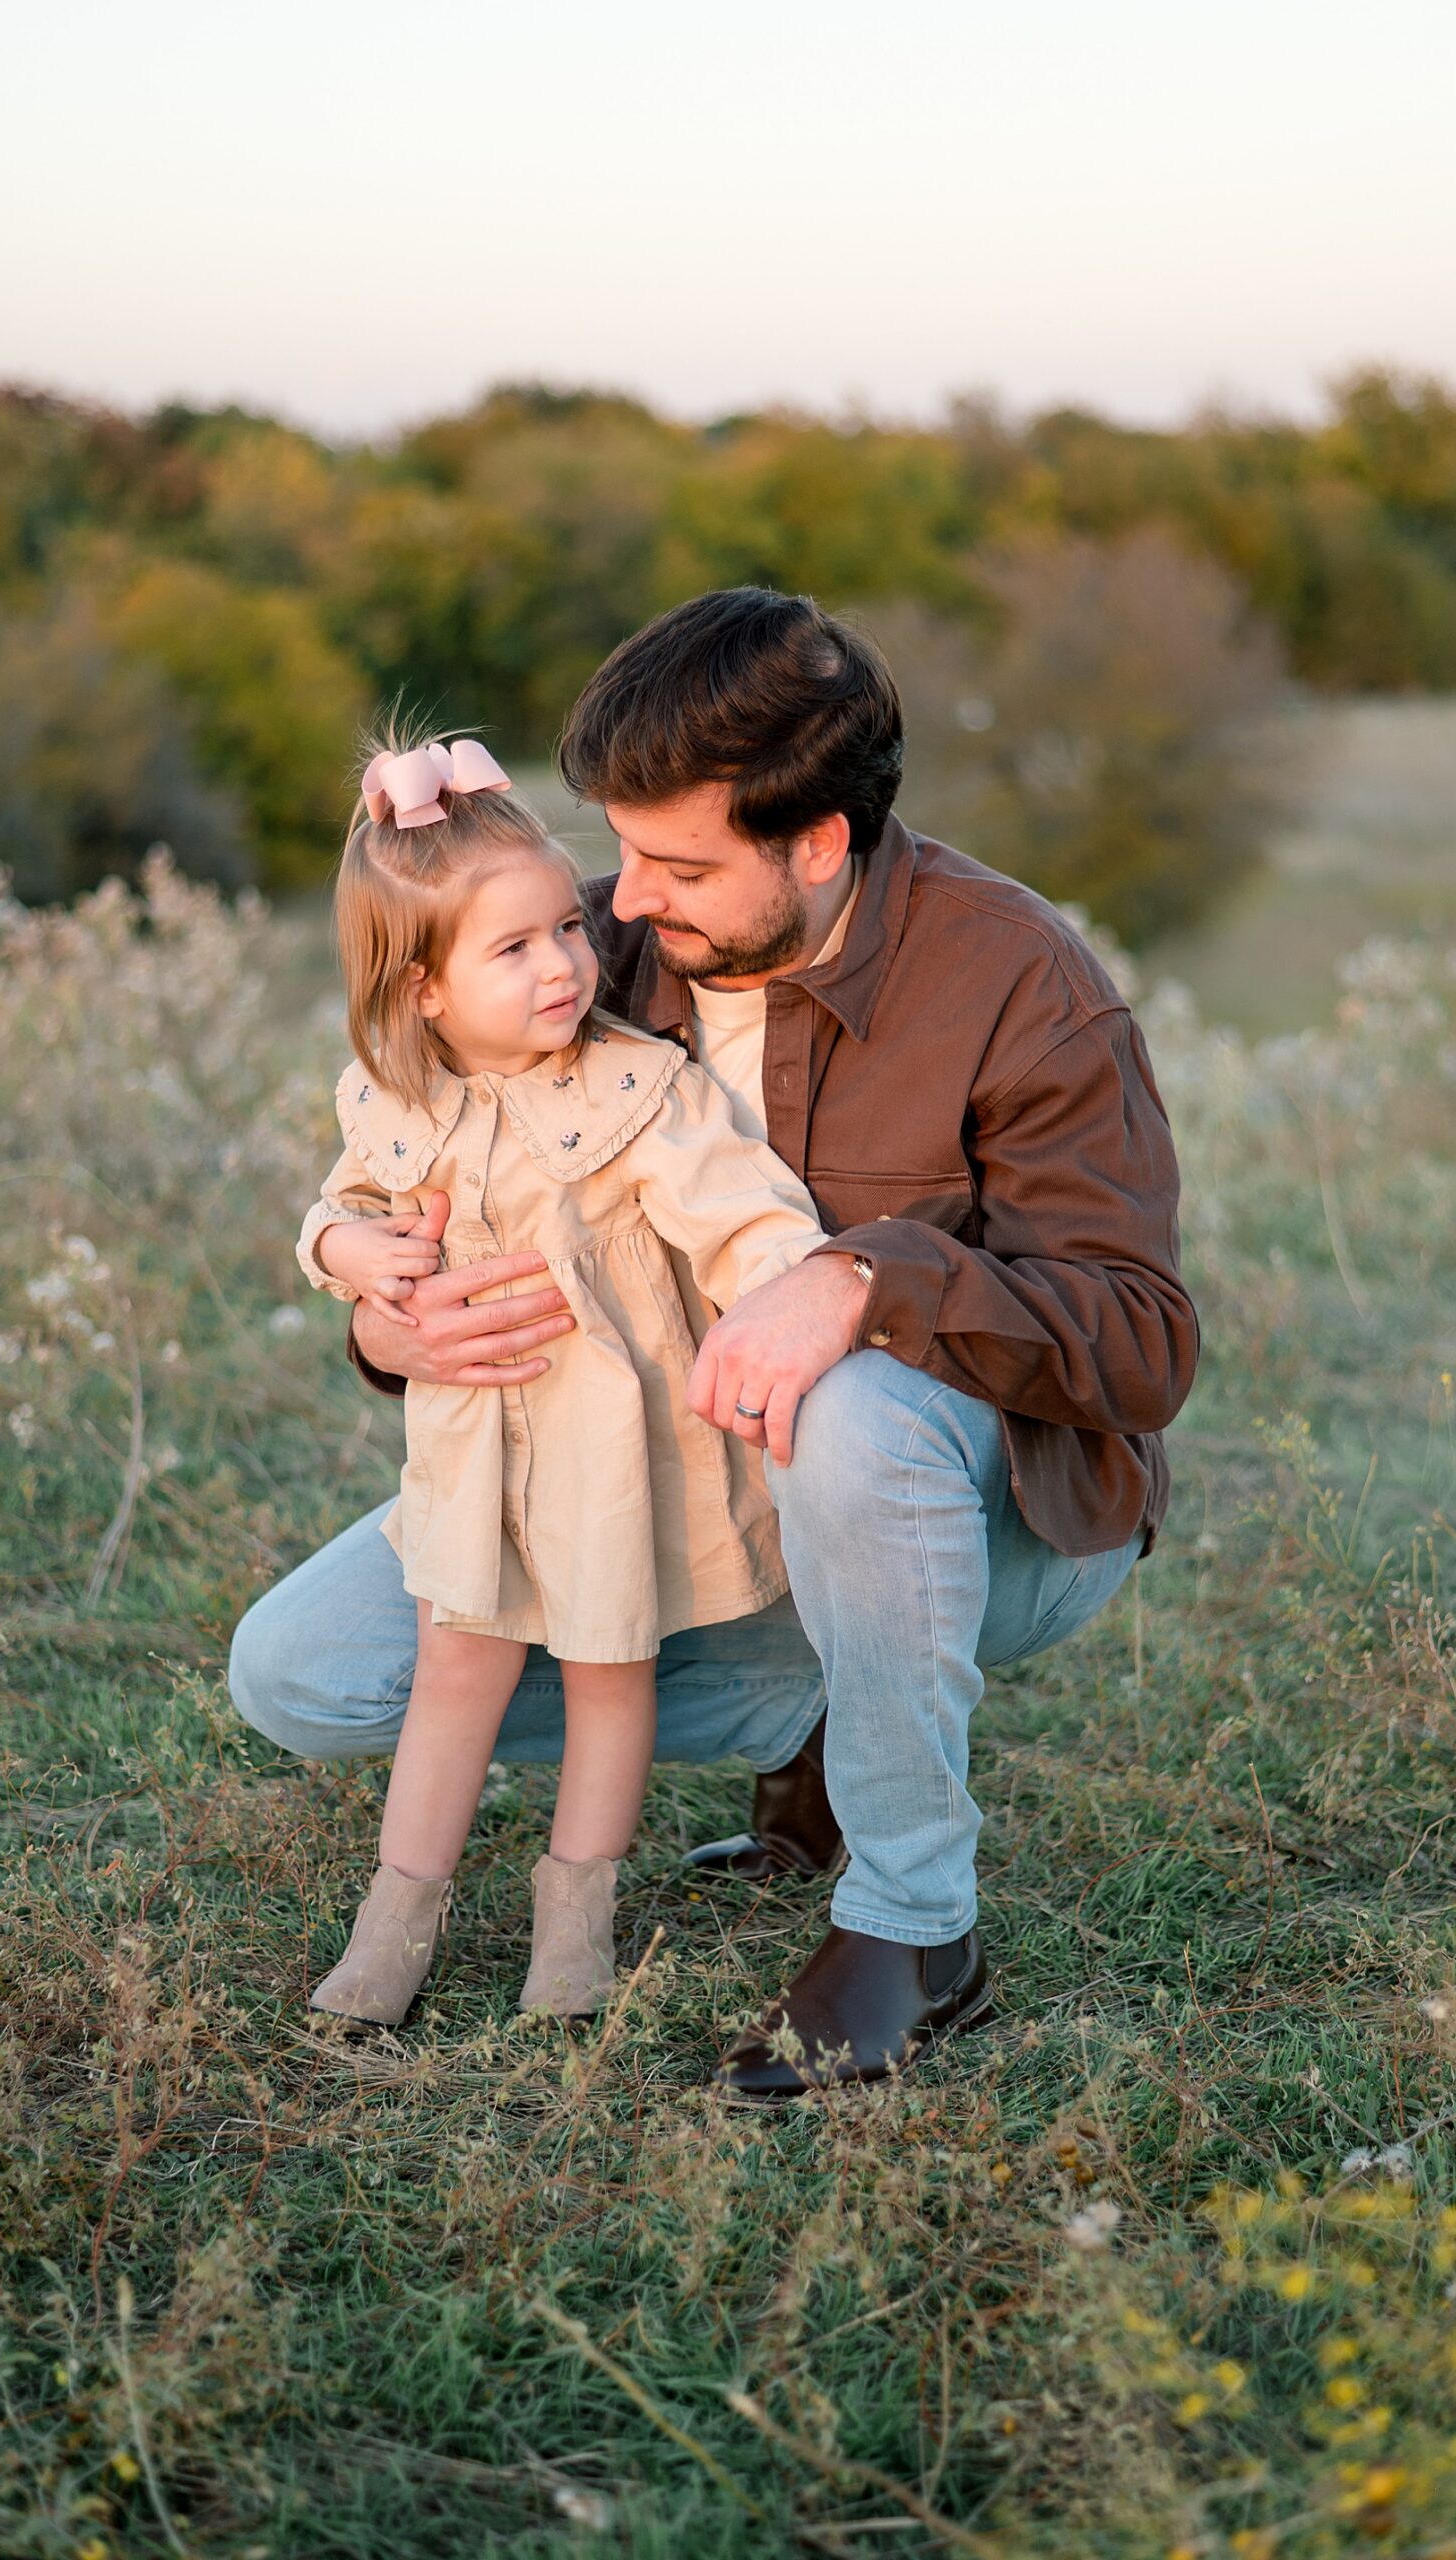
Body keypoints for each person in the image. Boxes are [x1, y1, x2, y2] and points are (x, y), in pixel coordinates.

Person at [229, 590, 1198, 2103]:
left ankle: (913, 1923)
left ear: (817, 841)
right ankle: (833, 1701)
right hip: (672, 1485)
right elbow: (441, 1153)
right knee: (306, 1674)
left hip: (989, 1514)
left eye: (677, 864)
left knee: (860, 1401)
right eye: (616, 853)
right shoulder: (608, 954)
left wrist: (872, 1282)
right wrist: (387, 1313)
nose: (619, 905)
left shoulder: (1022, 984)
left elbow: (1142, 1350)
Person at [295, 731, 824, 2025]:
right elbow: (337, 1211)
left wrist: (793, 1293)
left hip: (608, 1462)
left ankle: (573, 1922)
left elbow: (747, 1214)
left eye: (564, 932)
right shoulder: (393, 1097)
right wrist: (346, 1246)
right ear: (421, 990)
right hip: (470, 1457)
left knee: (607, 1681)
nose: (563, 964)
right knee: (452, 1684)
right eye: (514, 948)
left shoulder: (641, 1088)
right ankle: (397, 1917)